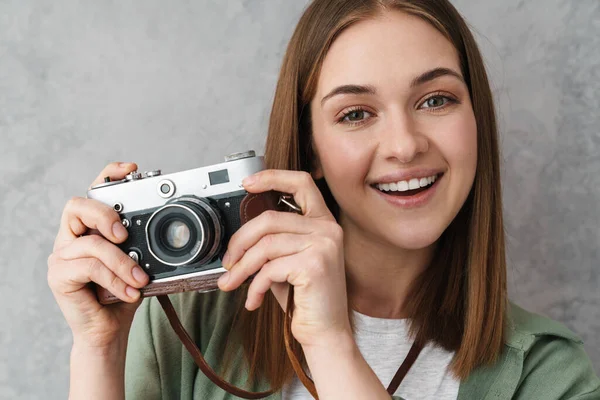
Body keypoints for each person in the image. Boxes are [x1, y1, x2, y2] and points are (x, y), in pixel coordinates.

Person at [47, 0, 600, 399]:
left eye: (436, 99)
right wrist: (97, 351)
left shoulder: (547, 374)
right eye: (355, 113)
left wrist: (331, 343)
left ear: (477, 119)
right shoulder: (190, 325)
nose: (405, 145)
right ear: (309, 150)